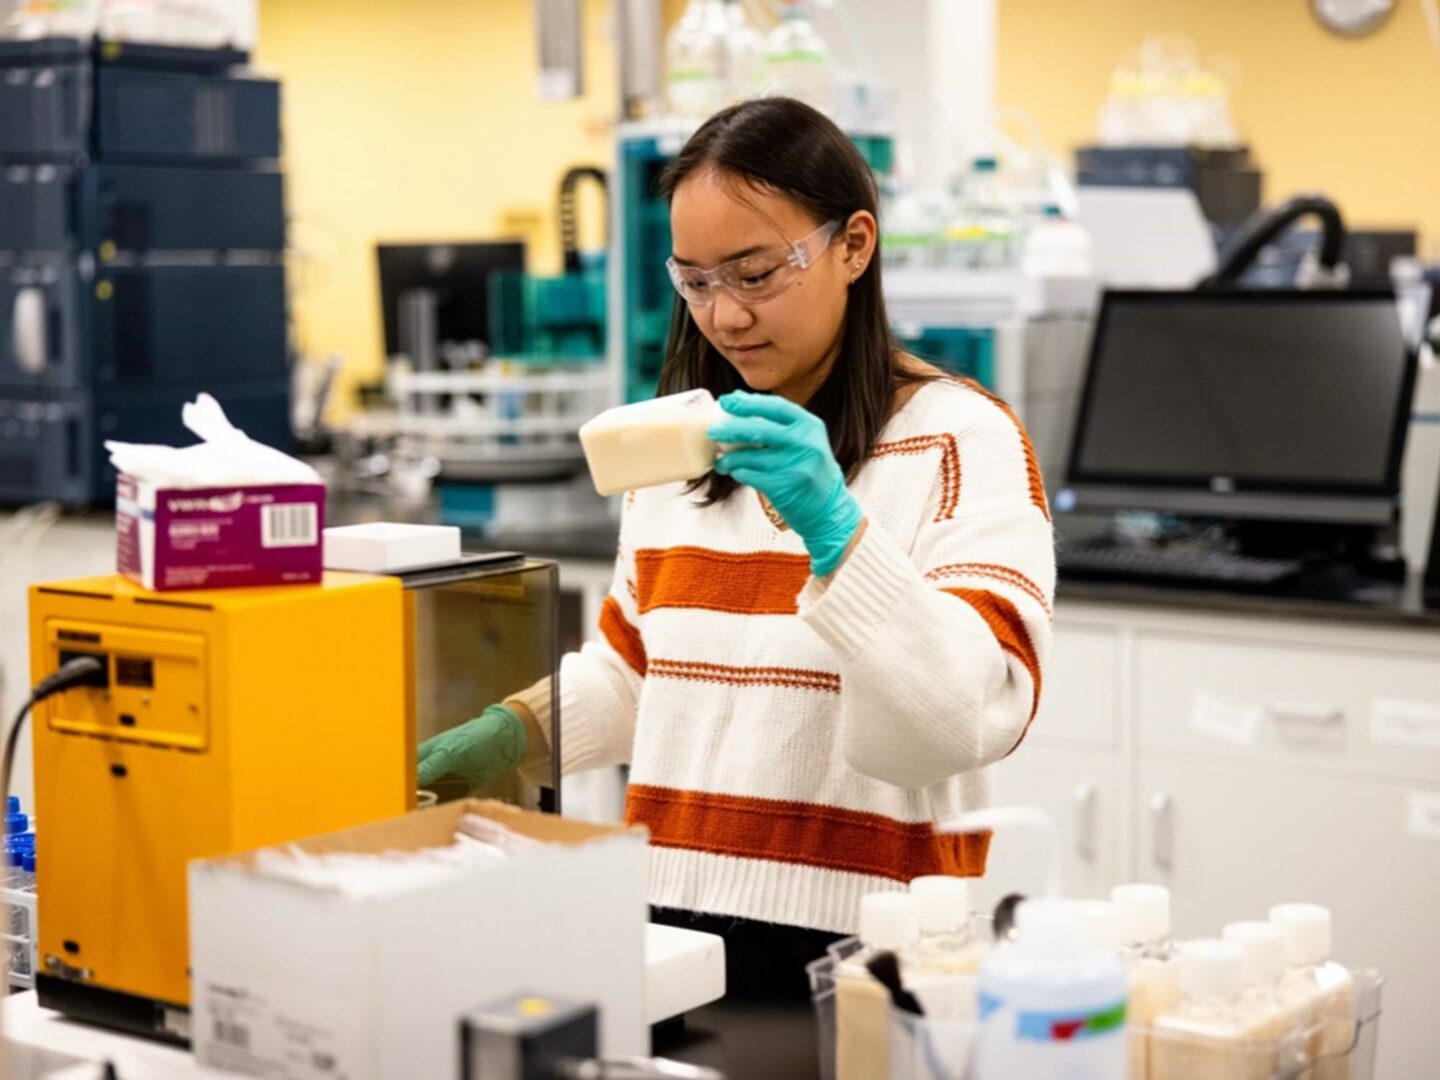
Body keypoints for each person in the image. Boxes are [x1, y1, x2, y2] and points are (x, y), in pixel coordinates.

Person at [417, 97, 1055, 999]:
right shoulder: (676, 451)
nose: (725, 316)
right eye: (696, 281)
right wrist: (510, 733)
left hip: (872, 944)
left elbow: (953, 726)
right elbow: (645, 672)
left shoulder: (960, 441)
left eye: (756, 274)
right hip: (669, 925)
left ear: (854, 246)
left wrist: (839, 534)